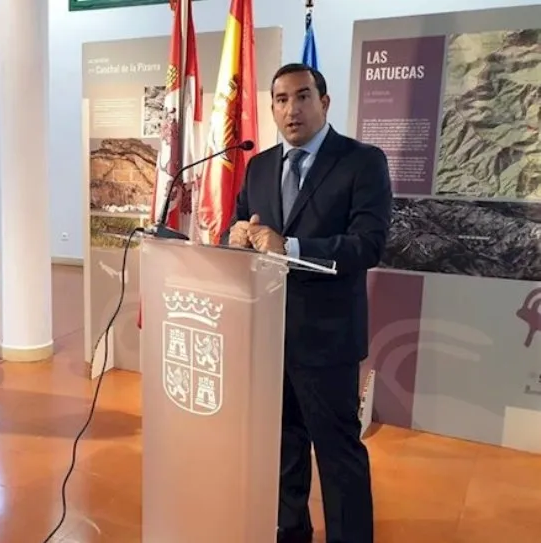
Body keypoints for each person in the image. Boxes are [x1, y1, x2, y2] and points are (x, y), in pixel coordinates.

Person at [228, 63, 392, 543]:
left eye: (302, 96)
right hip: (267, 337)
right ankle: (290, 532)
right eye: (280, 99)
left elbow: (369, 244)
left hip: (326, 341)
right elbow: (243, 225)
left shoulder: (361, 161)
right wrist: (234, 235)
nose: (290, 109)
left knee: (338, 456)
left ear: (324, 101)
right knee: (283, 449)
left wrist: (292, 247)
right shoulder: (258, 166)